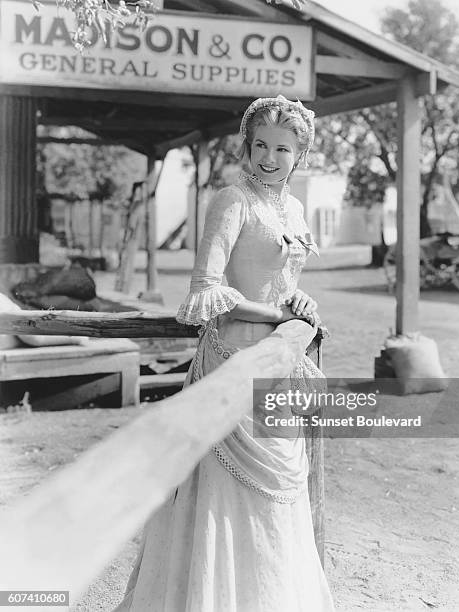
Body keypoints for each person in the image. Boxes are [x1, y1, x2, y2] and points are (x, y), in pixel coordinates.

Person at [114, 95, 335, 611]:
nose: (269, 158)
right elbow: (206, 295)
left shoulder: (294, 208)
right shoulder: (232, 200)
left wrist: (299, 302)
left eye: (283, 149)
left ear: (299, 155)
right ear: (247, 145)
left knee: (278, 498)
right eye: (261, 145)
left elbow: (284, 284)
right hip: (232, 358)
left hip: (280, 364)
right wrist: (279, 315)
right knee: (228, 496)